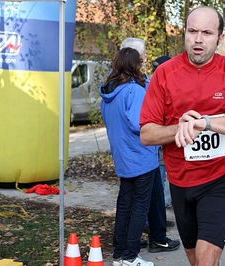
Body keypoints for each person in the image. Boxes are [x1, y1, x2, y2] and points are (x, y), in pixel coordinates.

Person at [139, 6, 225, 266]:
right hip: (180, 181)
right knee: (197, 260)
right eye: (192, 31)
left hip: (220, 177)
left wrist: (207, 123)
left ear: (219, 38)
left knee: (206, 262)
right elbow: (147, 134)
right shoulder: (164, 73)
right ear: (184, 33)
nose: (198, 39)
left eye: (207, 33)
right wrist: (180, 128)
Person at [120, 38, 180, 253]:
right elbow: (141, 122)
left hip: (133, 152)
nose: (145, 58)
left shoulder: (122, 84)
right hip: (142, 151)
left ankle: (138, 239)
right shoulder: (134, 87)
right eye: (143, 55)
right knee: (145, 200)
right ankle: (147, 241)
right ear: (135, 57)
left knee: (138, 199)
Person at [100, 47, 156, 266]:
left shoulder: (108, 92)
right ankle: (131, 257)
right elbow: (139, 123)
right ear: (135, 65)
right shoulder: (134, 91)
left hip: (122, 157)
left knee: (124, 206)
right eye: (140, 62)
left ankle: (119, 254)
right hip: (141, 156)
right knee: (139, 207)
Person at [152, 55, 173, 206]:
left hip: (168, 135)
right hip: (160, 137)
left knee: (166, 168)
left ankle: (164, 202)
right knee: (162, 168)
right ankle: (162, 203)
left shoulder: (152, 83)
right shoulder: (155, 85)